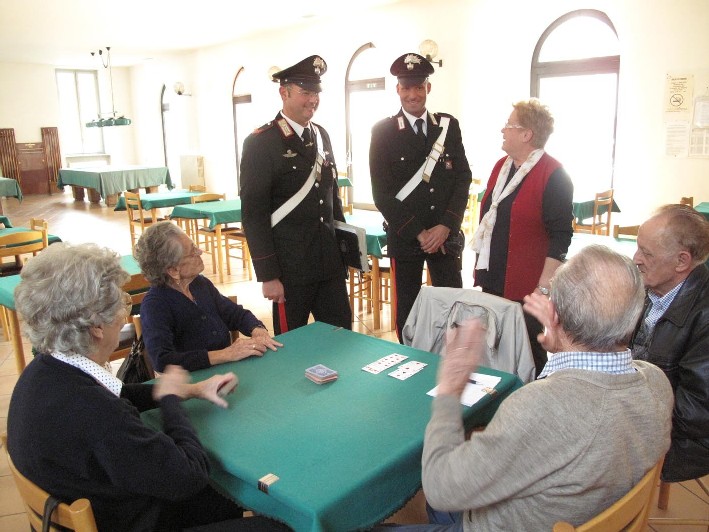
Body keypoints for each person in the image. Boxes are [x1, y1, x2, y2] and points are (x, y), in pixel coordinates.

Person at [382, 245, 673, 531]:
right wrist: (561, 344)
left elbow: (439, 487)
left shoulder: (538, 406)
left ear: (555, 316)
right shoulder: (657, 382)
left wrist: (449, 389)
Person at [7, 242, 290, 531]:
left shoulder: (44, 371)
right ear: (96, 327)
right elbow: (190, 476)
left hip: (100, 502)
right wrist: (170, 402)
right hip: (131, 520)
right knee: (277, 526)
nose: (124, 316)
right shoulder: (95, 414)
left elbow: (114, 395)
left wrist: (189, 389)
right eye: (121, 305)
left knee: (226, 498)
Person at [240, 54, 352, 334]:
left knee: (342, 340)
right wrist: (268, 275)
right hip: (290, 272)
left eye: (316, 93)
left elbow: (331, 199)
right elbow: (253, 215)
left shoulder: (322, 135)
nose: (312, 100)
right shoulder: (261, 143)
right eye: (305, 92)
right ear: (284, 92)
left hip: (329, 266)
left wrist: (346, 253)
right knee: (292, 349)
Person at [370, 52, 471, 341]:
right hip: (407, 237)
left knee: (453, 305)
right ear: (397, 90)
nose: (412, 95)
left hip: (444, 236)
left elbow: (462, 178)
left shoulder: (448, 126)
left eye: (418, 87)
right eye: (406, 88)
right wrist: (419, 232)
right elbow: (382, 193)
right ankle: (409, 359)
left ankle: (453, 362)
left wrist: (445, 226)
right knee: (408, 311)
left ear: (428, 88)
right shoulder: (383, 132)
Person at [471, 98, 574, 376]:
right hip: (494, 275)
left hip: (528, 284)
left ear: (527, 134)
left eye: (509, 125)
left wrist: (543, 286)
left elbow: (561, 235)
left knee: (527, 348)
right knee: (494, 344)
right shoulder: (501, 167)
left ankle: (535, 401)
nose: (503, 130)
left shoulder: (553, 174)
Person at [630, 203, 709, 483]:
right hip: (644, 410)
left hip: (685, 440)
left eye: (646, 253)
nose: (635, 258)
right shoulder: (649, 287)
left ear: (682, 261)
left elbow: (698, 412)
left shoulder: (705, 314)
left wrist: (624, 406)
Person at [135, 222, 282, 372]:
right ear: (173, 270)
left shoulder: (199, 284)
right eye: (193, 251)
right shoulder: (155, 304)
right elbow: (162, 360)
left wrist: (256, 329)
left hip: (226, 370)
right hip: (193, 382)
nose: (200, 251)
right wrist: (225, 354)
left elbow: (234, 314)